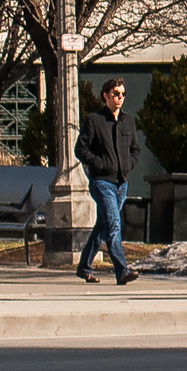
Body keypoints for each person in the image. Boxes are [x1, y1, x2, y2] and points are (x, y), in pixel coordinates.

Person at [74, 77, 140, 285]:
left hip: (122, 182)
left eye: (122, 94)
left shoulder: (128, 121)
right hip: (102, 182)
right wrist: (99, 164)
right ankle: (122, 270)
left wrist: (129, 165)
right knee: (113, 224)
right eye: (115, 94)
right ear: (106, 96)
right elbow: (80, 149)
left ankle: (84, 266)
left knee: (103, 227)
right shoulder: (94, 120)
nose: (120, 98)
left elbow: (135, 149)